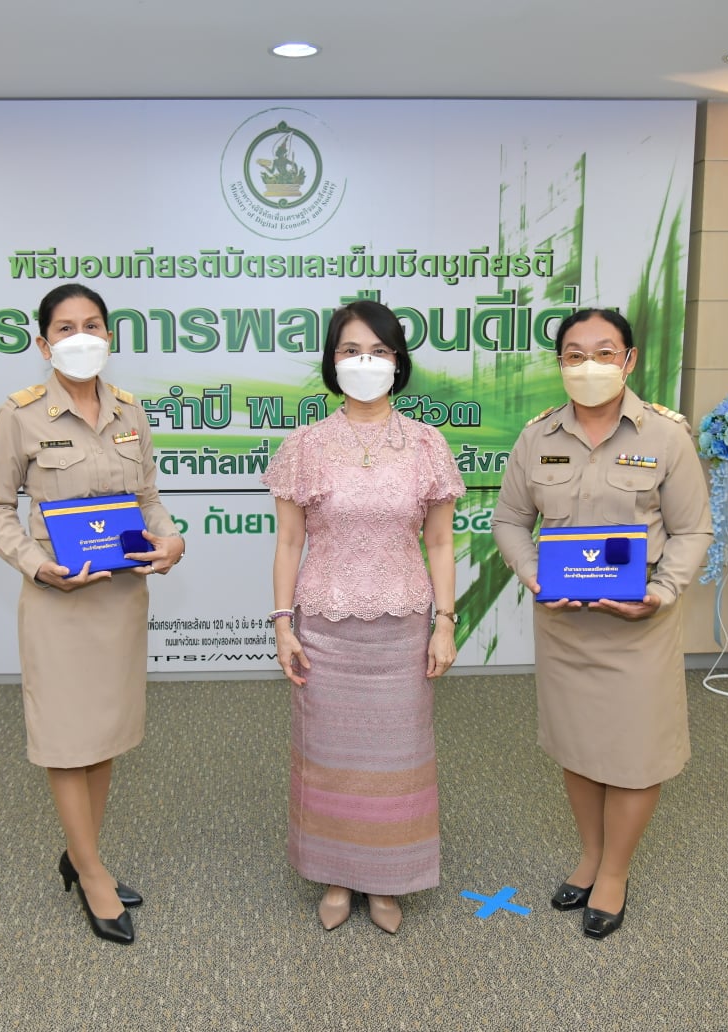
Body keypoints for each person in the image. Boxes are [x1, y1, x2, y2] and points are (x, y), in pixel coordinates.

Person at [0, 283, 186, 946]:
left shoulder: (130, 410)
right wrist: (36, 565)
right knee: (67, 740)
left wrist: (172, 539)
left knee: (104, 734)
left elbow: (147, 498)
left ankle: (81, 852)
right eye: (65, 328)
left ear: (110, 337)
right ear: (44, 345)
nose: (81, 337)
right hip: (59, 604)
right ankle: (92, 873)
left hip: (120, 600)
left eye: (92, 325)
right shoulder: (20, 415)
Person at [492, 308, 710, 940]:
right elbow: (510, 521)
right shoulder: (537, 437)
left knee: (636, 755)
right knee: (579, 747)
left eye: (605, 352)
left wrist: (662, 592)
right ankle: (589, 855)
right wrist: (533, 573)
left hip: (639, 628)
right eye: (575, 354)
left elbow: (693, 530)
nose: (589, 365)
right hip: (565, 627)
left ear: (630, 360)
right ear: (560, 363)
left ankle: (615, 871)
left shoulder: (666, 436)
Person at [262, 298, 464, 935]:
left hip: (402, 628)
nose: (365, 362)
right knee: (330, 758)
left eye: (378, 351)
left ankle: (386, 876)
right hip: (325, 628)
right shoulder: (305, 446)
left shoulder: (427, 445)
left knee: (395, 761)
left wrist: (445, 622)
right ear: (332, 361)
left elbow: (440, 543)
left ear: (398, 361)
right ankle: (335, 873)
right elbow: (289, 542)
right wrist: (283, 624)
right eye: (351, 350)